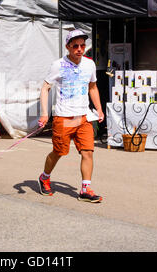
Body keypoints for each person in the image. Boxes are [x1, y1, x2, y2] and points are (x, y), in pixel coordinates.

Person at [38, 29, 105, 203]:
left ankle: (85, 189)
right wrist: (45, 114)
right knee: (59, 152)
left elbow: (93, 87)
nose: (79, 49)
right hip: (65, 118)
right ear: (68, 47)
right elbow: (45, 88)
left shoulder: (89, 64)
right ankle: (44, 177)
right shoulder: (58, 65)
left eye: (82, 45)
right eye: (75, 46)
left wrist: (99, 109)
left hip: (83, 117)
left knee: (88, 152)